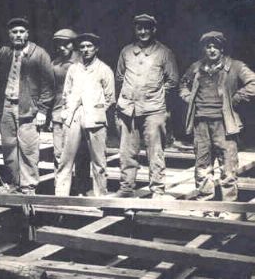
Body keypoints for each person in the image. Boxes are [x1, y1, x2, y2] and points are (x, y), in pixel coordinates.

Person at [179, 31, 255, 216]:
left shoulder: (235, 66)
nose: (212, 50)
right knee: (202, 165)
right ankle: (204, 205)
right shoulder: (197, 68)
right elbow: (183, 85)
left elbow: (253, 82)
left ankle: (228, 208)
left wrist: (235, 98)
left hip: (224, 124)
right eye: (208, 46)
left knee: (227, 166)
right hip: (200, 123)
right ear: (203, 48)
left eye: (215, 46)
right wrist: (190, 99)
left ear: (222, 48)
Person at [0, 17, 55, 194]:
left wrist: (43, 110)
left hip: (29, 109)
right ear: (9, 34)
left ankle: (29, 186)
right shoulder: (5, 52)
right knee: (9, 147)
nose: (18, 35)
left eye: (22, 32)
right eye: (14, 32)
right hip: (7, 106)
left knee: (28, 148)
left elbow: (48, 84)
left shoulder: (39, 54)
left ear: (27, 34)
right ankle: (15, 183)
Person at [115, 13, 179, 198]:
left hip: (153, 110)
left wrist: (154, 95)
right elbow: (119, 76)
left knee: (155, 152)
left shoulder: (164, 52)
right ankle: (126, 187)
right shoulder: (126, 51)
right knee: (127, 152)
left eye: (146, 28)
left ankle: (157, 189)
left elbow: (173, 80)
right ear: (135, 30)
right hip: (128, 109)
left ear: (153, 30)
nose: (143, 31)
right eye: (139, 28)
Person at [54, 33, 115, 197]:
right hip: (73, 117)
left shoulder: (104, 70)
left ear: (96, 48)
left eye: (89, 46)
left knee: (99, 162)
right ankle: (60, 197)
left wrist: (97, 110)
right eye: (82, 47)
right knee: (65, 160)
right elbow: (66, 93)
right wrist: (67, 112)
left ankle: (100, 197)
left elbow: (110, 98)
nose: (86, 50)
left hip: (94, 118)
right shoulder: (74, 68)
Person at [50, 29, 80, 168]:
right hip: (58, 114)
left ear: (73, 44)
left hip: (79, 114)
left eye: (66, 44)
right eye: (58, 44)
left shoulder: (83, 62)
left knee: (80, 154)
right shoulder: (54, 65)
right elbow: (49, 90)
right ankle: (60, 188)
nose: (61, 48)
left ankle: (82, 188)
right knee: (59, 154)